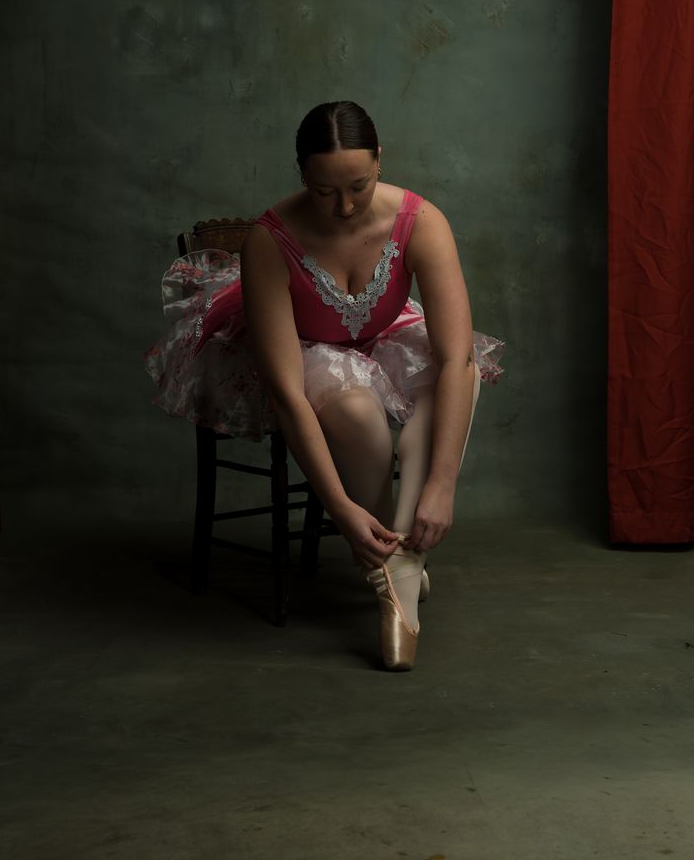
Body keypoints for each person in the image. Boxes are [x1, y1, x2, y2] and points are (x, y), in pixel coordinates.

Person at [145, 101, 504, 671]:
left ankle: (399, 567)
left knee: (454, 374)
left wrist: (443, 484)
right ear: (300, 175)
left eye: (359, 186)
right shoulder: (270, 239)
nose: (344, 207)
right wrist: (338, 507)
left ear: (380, 162)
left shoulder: (420, 220)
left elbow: (457, 356)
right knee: (359, 412)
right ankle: (399, 566)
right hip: (306, 349)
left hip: (383, 333)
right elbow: (287, 393)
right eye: (323, 191)